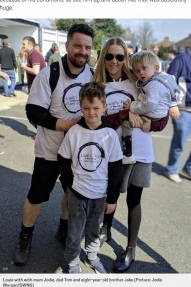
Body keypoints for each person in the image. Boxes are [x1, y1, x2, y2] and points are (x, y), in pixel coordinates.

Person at [13, 23, 96, 266]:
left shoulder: (92, 75)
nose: (82, 51)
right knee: (36, 197)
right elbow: (33, 112)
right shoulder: (49, 74)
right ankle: (24, 237)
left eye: (87, 47)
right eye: (78, 45)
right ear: (68, 45)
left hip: (77, 155)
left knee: (71, 195)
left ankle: (63, 229)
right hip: (49, 152)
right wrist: (65, 125)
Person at [92, 37, 169, 273]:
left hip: (141, 152)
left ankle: (131, 248)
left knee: (134, 201)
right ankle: (106, 228)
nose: (114, 61)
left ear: (125, 58)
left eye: (119, 56)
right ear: (103, 57)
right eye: (109, 56)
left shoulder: (139, 82)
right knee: (110, 194)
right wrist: (123, 117)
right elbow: (96, 121)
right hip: (111, 151)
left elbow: (162, 115)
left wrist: (151, 126)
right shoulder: (97, 85)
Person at [57, 82, 123, 273]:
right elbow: (63, 160)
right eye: (86, 108)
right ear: (80, 107)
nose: (91, 112)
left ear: (105, 107)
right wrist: (69, 185)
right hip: (77, 192)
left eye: (96, 108)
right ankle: (71, 262)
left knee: (95, 229)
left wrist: (112, 198)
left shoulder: (110, 134)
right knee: (75, 231)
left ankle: (92, 257)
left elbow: (116, 169)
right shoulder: (74, 132)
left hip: (100, 194)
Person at [121, 50, 179, 164]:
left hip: (152, 115)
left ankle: (127, 151)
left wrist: (132, 107)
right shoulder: (158, 81)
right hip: (156, 115)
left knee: (126, 124)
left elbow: (150, 104)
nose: (141, 73)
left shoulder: (154, 85)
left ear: (156, 68)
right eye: (137, 71)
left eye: (144, 68)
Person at [164, 46, 191, 183]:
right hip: (184, 108)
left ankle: (189, 167)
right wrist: (172, 104)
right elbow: (169, 80)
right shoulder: (181, 59)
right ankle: (172, 169)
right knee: (180, 141)